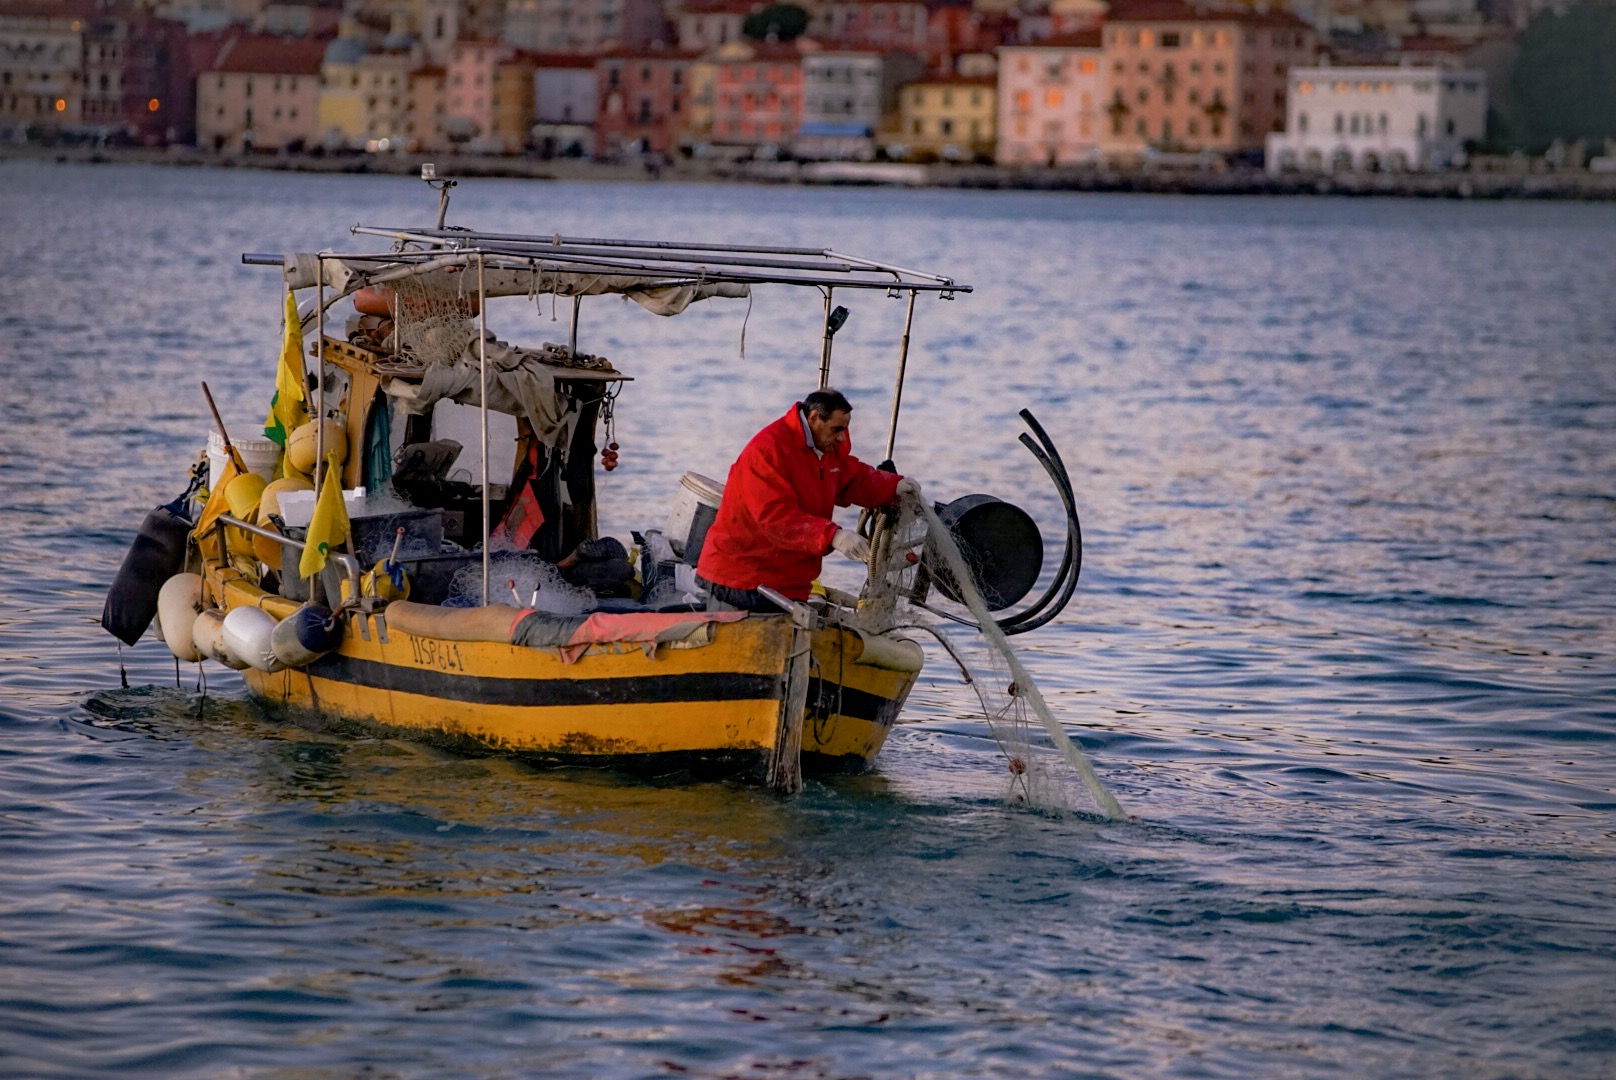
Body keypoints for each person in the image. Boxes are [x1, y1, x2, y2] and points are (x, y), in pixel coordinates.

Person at [695, 388, 921, 611]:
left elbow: (851, 478)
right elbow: (776, 518)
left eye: (845, 429)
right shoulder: (768, 451)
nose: (842, 437)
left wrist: (893, 486)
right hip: (740, 580)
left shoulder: (826, 448)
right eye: (837, 429)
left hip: (788, 584)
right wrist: (834, 536)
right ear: (814, 418)